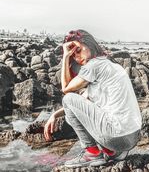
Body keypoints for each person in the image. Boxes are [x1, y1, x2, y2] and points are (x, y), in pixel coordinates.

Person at [44, 29, 142, 168]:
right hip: (132, 136)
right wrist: (55, 115)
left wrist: (66, 57)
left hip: (116, 136)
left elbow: (66, 90)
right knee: (72, 108)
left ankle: (92, 153)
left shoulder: (94, 65)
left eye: (78, 50)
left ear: (89, 44)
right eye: (73, 56)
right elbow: (82, 104)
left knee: (68, 99)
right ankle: (112, 152)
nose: (77, 58)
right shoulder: (110, 65)